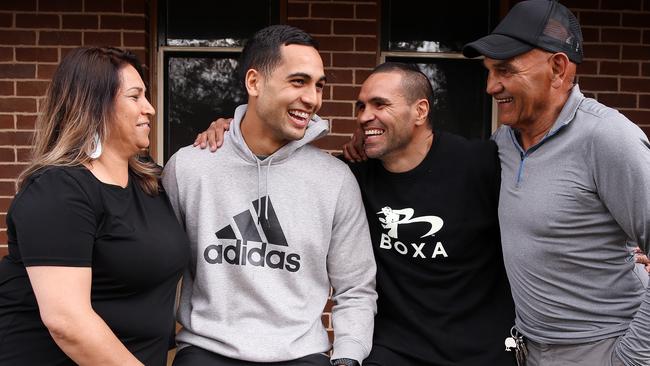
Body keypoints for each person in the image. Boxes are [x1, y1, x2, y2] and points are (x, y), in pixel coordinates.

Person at [198, 62, 516, 365]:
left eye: (380, 105)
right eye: (361, 106)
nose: (365, 116)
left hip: (480, 350)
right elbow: (279, 177)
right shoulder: (353, 177)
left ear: (420, 111)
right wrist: (236, 132)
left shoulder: (481, 164)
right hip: (393, 351)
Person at [162, 25, 377, 366]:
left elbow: (355, 287)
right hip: (206, 351)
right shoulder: (189, 168)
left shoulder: (335, 180)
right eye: (298, 81)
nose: (313, 98)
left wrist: (348, 355)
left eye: (318, 85)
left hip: (302, 355)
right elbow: (161, 268)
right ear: (254, 83)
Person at [462, 0, 650, 365]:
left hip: (605, 349)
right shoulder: (503, 143)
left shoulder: (608, 138)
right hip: (530, 351)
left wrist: (632, 357)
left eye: (504, 70)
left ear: (558, 68)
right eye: (488, 72)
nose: (490, 86)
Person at [0, 46, 190, 365]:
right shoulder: (58, 191)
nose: (150, 109)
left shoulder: (151, 183)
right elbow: (67, 322)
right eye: (135, 96)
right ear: (95, 105)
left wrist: (229, 132)